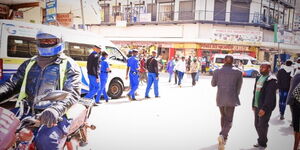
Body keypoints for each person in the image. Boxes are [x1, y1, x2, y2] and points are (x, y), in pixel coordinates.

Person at [0, 31, 81, 150]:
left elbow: (72, 92)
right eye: (42, 40)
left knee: (46, 141)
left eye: (50, 41)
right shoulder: (29, 63)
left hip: (54, 115)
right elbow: (12, 85)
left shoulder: (69, 65)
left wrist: (55, 109)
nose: (45, 43)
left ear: (59, 42)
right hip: (25, 111)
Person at [211, 55, 243, 150]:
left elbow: (213, 84)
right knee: (229, 119)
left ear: (224, 61)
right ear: (233, 61)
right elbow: (239, 87)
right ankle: (223, 135)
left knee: (223, 117)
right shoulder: (238, 72)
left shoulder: (217, 71)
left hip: (220, 97)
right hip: (232, 97)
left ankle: (223, 136)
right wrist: (234, 95)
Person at [252, 62, 277, 149]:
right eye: (260, 67)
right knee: (256, 124)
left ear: (269, 69)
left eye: (263, 68)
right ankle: (261, 140)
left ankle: (263, 143)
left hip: (265, 107)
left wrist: (264, 108)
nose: (261, 69)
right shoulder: (259, 77)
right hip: (257, 105)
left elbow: (269, 96)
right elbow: (255, 91)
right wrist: (253, 104)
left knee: (262, 125)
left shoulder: (271, 79)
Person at [287, 70, 300, 150]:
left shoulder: (297, 73)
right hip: (296, 103)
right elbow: (296, 92)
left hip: (293, 103)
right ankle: (296, 146)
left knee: (297, 127)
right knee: (297, 128)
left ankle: (296, 146)